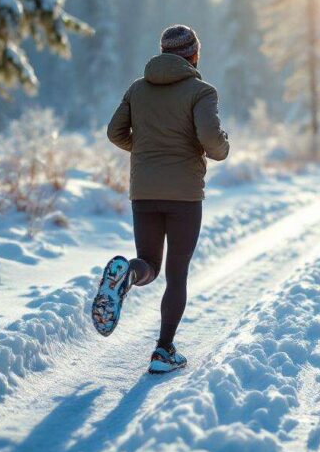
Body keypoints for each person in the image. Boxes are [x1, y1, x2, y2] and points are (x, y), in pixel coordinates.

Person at [97, 24, 230, 374]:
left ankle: (128, 273)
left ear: (163, 53)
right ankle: (163, 350)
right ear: (193, 55)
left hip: (144, 192)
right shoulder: (201, 91)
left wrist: (146, 151)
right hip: (184, 194)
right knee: (177, 273)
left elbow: (114, 133)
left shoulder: (138, 89)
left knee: (149, 265)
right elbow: (212, 142)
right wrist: (222, 146)